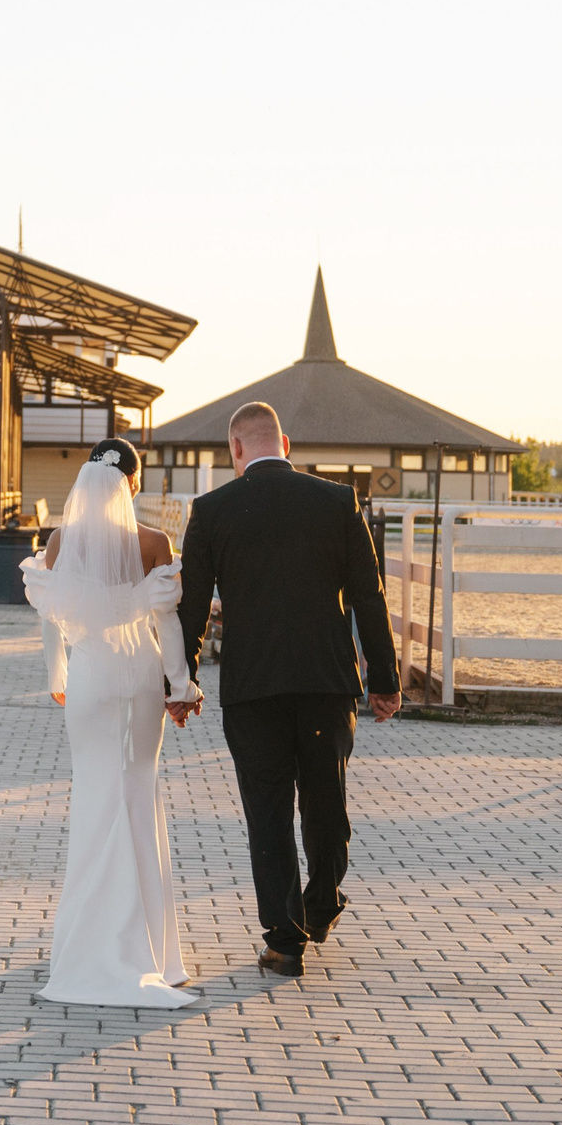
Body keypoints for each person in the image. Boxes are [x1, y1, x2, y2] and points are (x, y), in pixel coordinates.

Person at [176, 401, 400, 978]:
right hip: (326, 682)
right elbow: (369, 595)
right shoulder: (336, 501)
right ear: (287, 443)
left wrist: (183, 680)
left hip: (252, 688)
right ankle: (321, 904)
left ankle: (284, 940)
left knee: (267, 812)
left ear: (236, 450)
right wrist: (384, 679)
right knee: (327, 802)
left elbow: (193, 609)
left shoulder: (211, 511)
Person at [19, 437, 202, 1008]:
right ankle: (152, 950)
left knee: (95, 795)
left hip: (91, 676)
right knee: (138, 793)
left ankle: (88, 941)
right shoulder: (153, 542)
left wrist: (58, 673)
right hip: (141, 675)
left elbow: (51, 617)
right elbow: (167, 625)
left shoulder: (60, 541)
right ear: (132, 483)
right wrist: (182, 684)